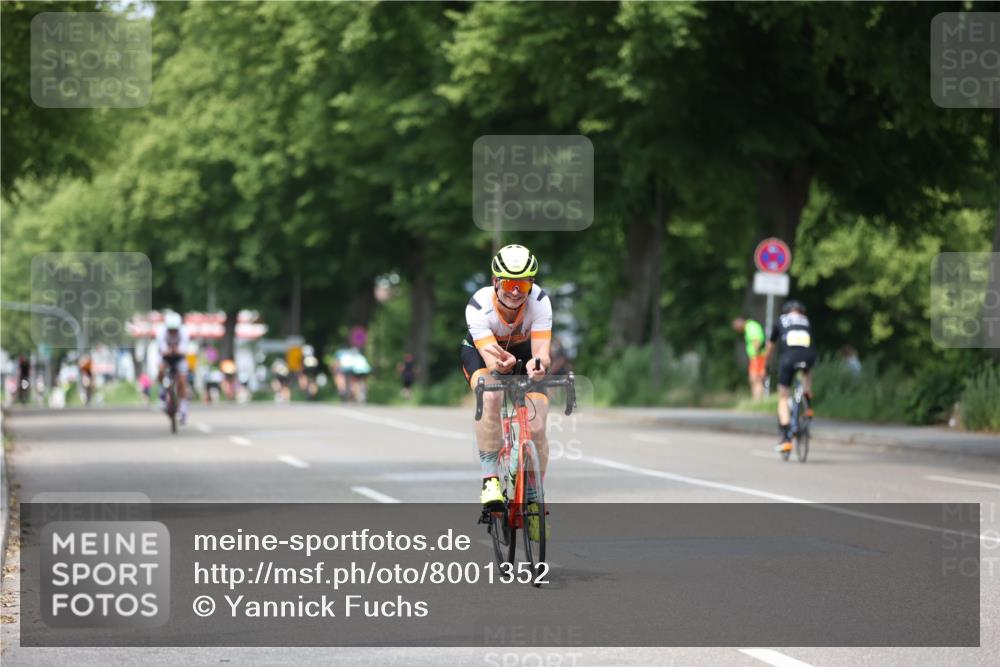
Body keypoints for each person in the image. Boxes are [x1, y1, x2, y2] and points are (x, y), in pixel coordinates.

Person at [461, 244, 552, 541]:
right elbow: (492, 361)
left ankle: (535, 499)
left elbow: (541, 353)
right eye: (510, 284)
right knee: (491, 395)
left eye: (523, 283)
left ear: (532, 284)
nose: (516, 291)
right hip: (484, 354)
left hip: (523, 353)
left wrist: (538, 366)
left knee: (538, 423)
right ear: (495, 282)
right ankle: (490, 479)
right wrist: (502, 366)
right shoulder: (478, 306)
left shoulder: (539, 302)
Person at [762, 300, 817, 453]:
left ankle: (786, 439)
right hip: (809, 356)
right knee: (807, 373)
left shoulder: (781, 320)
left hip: (789, 358)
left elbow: (770, 347)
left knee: (783, 396)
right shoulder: (806, 320)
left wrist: (766, 367)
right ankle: (808, 400)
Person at [156, 311, 191, 425]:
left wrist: (176, 351)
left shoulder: (184, 331)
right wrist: (169, 351)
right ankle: (162, 391)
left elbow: (183, 349)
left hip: (179, 358)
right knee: (161, 369)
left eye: (174, 330)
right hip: (166, 357)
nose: (172, 332)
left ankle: (184, 409)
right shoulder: (161, 331)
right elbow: (162, 348)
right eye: (170, 330)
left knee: (182, 380)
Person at [731, 317, 767, 400]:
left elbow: (757, 341)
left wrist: (756, 354)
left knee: (756, 378)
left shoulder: (751, 327)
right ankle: (756, 399)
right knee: (754, 378)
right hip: (756, 357)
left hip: (757, 357)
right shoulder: (750, 326)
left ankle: (757, 399)